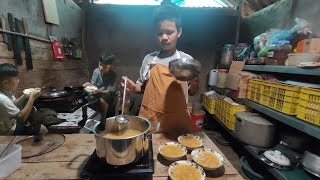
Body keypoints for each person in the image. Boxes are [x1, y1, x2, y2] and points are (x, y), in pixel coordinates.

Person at [123, 5, 200, 134]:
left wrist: (195, 82)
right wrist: (132, 87)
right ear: (155, 33)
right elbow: (143, 87)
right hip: (152, 121)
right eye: (160, 33)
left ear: (179, 32)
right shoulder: (149, 59)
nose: (164, 37)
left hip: (177, 124)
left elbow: (192, 92)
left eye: (169, 32)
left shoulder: (186, 61)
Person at [0, 63, 42, 135]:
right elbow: (22, 118)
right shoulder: (3, 99)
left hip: (11, 122)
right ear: (5, 82)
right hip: (8, 130)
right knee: (43, 130)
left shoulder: (4, 91)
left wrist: (25, 95)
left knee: (33, 111)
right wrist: (32, 98)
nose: (18, 81)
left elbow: (14, 105)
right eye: (16, 79)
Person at [83, 53, 117, 128]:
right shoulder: (96, 71)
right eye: (100, 64)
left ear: (110, 66)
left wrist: (99, 91)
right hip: (98, 91)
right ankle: (86, 121)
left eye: (104, 66)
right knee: (84, 97)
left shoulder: (113, 75)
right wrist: (88, 85)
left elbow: (109, 91)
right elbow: (93, 85)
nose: (101, 67)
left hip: (108, 93)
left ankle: (103, 120)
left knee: (102, 100)